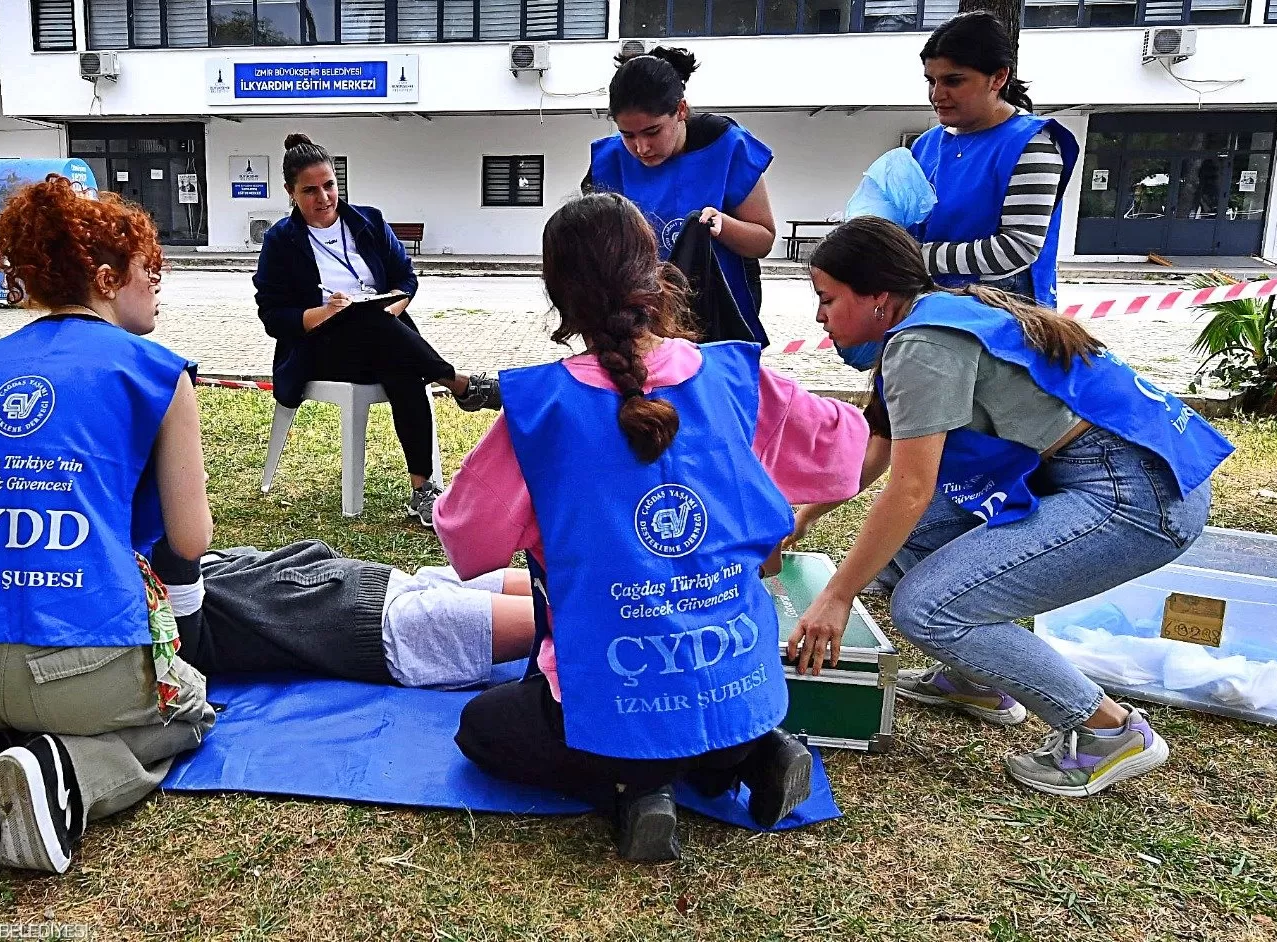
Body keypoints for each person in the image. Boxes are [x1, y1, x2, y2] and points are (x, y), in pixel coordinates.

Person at [436, 193, 871, 861]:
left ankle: (639, 788)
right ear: (657, 276)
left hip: (612, 703)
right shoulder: (737, 377)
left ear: (560, 298)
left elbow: (466, 541)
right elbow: (844, 454)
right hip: (740, 687)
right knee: (694, 714)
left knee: (483, 729)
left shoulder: (540, 410)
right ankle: (754, 753)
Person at [789, 217, 1234, 798]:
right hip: (1106, 469)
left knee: (926, 608)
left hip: (1136, 494)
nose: (819, 317)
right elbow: (881, 442)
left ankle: (1111, 733)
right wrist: (806, 515)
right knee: (908, 551)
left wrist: (837, 595)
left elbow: (909, 487)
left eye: (827, 299)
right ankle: (976, 678)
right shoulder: (935, 314)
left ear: (878, 297)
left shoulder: (922, 344)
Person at [0, 177, 216, 875]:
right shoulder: (158, 373)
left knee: (4, 701)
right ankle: (64, 775)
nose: (158, 290)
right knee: (188, 708)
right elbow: (191, 543)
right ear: (107, 280)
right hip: (81, 660)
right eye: (150, 274)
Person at [253, 133, 500, 527]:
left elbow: (405, 278)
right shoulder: (281, 241)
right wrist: (323, 311)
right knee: (366, 322)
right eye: (310, 190)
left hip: (383, 338)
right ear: (290, 192)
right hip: (320, 349)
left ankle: (423, 490)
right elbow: (273, 315)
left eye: (329, 185)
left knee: (398, 363)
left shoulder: (368, 221)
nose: (324, 198)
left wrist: (393, 307)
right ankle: (460, 383)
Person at [148, 539, 535, 690]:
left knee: (557, 591)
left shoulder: (190, 567)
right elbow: (185, 648)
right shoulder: (170, 598)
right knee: (563, 616)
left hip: (378, 589)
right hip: (377, 624)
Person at [584, 46, 778, 344]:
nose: (641, 148)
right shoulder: (608, 161)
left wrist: (722, 225)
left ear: (682, 111)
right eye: (628, 135)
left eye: (652, 132)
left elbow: (762, 239)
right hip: (643, 324)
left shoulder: (726, 146)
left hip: (719, 317)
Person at [911, 12, 1080, 307]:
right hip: (926, 302)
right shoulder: (926, 144)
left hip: (997, 313)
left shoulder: (1031, 146)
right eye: (931, 81)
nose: (937, 94)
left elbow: (1018, 247)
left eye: (953, 80)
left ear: (999, 77)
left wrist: (912, 257)